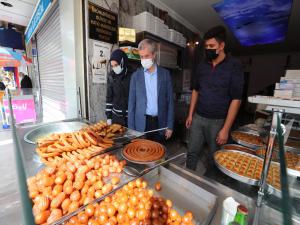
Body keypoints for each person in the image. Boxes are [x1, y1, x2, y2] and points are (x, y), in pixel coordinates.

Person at [185, 26, 244, 171]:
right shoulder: (202, 66)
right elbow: (195, 90)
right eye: (206, 46)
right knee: (192, 151)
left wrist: (226, 129)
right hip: (199, 117)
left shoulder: (234, 66)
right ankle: (187, 178)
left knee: (215, 157)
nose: (208, 49)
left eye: (212, 46)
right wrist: (190, 115)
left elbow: (236, 99)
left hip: (218, 122)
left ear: (222, 45)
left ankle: (211, 185)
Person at [128, 39, 174, 143]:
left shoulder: (165, 74)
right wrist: (131, 130)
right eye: (141, 57)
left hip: (160, 123)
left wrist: (170, 126)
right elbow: (131, 104)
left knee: (158, 154)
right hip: (141, 124)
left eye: (147, 56)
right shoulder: (135, 76)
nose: (144, 59)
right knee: (142, 155)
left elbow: (170, 102)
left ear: (154, 55)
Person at [105, 49, 132, 126]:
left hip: (129, 118)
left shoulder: (132, 75)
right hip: (116, 118)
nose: (114, 68)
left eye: (116, 65)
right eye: (112, 66)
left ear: (122, 62)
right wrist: (109, 117)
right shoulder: (111, 76)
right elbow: (109, 98)